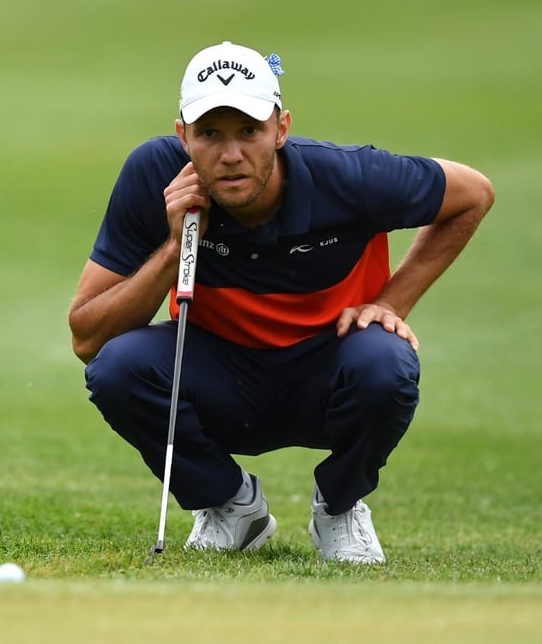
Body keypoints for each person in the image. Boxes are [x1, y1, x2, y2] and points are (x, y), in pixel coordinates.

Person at [68, 41, 493, 564]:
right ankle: (230, 505)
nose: (230, 155)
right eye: (209, 135)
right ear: (183, 137)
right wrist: (176, 247)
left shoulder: (349, 178)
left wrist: (393, 301)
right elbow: (89, 338)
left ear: (281, 128)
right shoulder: (156, 177)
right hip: (218, 373)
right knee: (118, 368)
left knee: (387, 361)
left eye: (249, 131)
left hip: (328, 366)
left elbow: (474, 193)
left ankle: (340, 506)